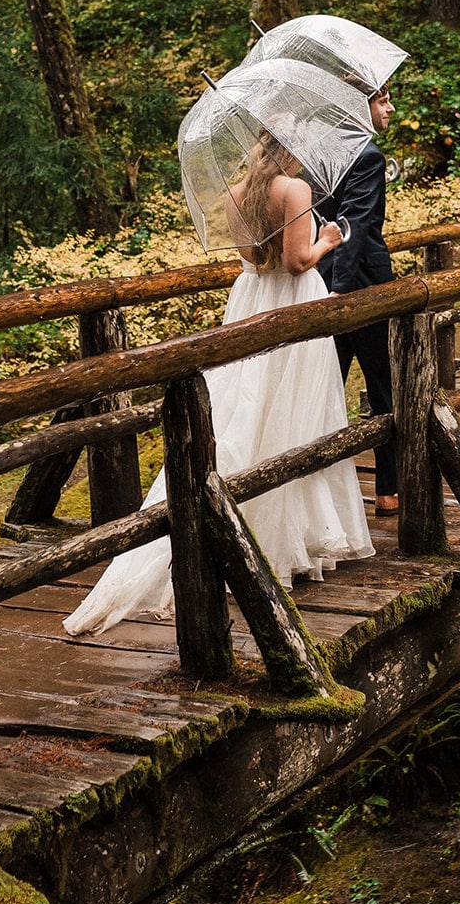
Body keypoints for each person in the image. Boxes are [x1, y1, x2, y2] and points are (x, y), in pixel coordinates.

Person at [63, 136, 375, 638]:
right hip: (292, 303)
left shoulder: (235, 195)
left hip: (250, 299)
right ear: (290, 151)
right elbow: (297, 263)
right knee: (293, 414)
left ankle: (253, 527)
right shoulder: (293, 190)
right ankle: (283, 538)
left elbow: (257, 258)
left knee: (247, 407)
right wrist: (330, 241)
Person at [316, 82, 399, 514]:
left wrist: (322, 281)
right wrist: (339, 291)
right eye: (382, 100)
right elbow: (355, 225)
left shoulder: (320, 152)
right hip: (361, 285)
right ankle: (388, 491)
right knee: (383, 388)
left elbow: (322, 222)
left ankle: (325, 497)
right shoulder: (366, 155)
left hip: (321, 276)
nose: (390, 107)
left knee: (325, 390)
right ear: (358, 106)